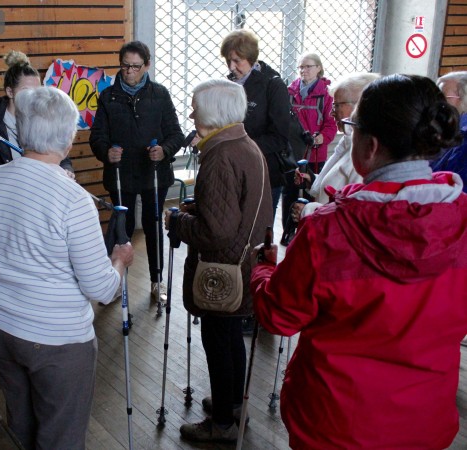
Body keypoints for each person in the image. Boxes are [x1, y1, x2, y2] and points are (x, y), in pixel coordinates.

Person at [251, 74, 467, 449]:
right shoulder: (461, 219)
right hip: (424, 422)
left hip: (336, 423)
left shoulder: (328, 230)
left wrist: (264, 270)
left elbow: (279, 316)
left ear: (370, 146)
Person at [0, 86, 134, 450]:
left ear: (22, 132)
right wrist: (120, 261)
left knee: (21, 422)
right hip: (55, 339)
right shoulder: (73, 199)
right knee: (60, 434)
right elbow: (101, 288)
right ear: (69, 136)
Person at [165, 79, 272, 443]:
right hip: (243, 263)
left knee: (219, 341)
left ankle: (223, 423)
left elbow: (217, 232)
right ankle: (233, 404)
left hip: (221, 271)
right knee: (230, 340)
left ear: (211, 112)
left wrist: (179, 221)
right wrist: (199, 209)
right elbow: (233, 211)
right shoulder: (243, 144)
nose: (192, 112)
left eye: (195, 106)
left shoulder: (220, 155)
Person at [90, 41, 184, 303]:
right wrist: (106, 152)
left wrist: (164, 150)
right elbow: (98, 137)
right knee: (123, 228)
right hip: (121, 174)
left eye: (135, 66)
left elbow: (175, 133)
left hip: (153, 171)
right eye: (125, 65)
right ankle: (114, 283)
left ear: (147, 65)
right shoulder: (108, 96)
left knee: (153, 225)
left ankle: (157, 280)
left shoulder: (160, 94)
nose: (129, 71)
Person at [0, 50, 73, 185]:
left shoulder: (43, 116)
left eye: (37, 91)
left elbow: (59, 152)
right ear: (10, 92)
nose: (33, 97)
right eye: (26, 91)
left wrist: (66, 169)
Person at [291, 73, 380, 221]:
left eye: (337, 105)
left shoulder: (367, 153)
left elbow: (353, 216)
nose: (332, 112)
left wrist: (309, 211)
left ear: (360, 106)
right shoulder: (348, 141)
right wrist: (313, 179)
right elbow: (338, 187)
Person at [220, 30, 291, 217]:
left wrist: (242, 146)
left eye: (237, 60)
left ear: (251, 58)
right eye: (228, 60)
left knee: (259, 228)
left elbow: (281, 137)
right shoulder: (228, 83)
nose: (231, 66)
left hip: (265, 170)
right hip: (235, 169)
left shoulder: (273, 85)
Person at [287, 52, 338, 172]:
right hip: (291, 152)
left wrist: (321, 138)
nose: (303, 70)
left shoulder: (327, 94)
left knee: (311, 187)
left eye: (308, 66)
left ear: (319, 68)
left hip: (315, 154)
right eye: (300, 67)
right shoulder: (289, 92)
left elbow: (332, 123)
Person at [432, 71, 467, 193]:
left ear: (464, 98)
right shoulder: (447, 130)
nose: (435, 103)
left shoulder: (463, 137)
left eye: (442, 97)